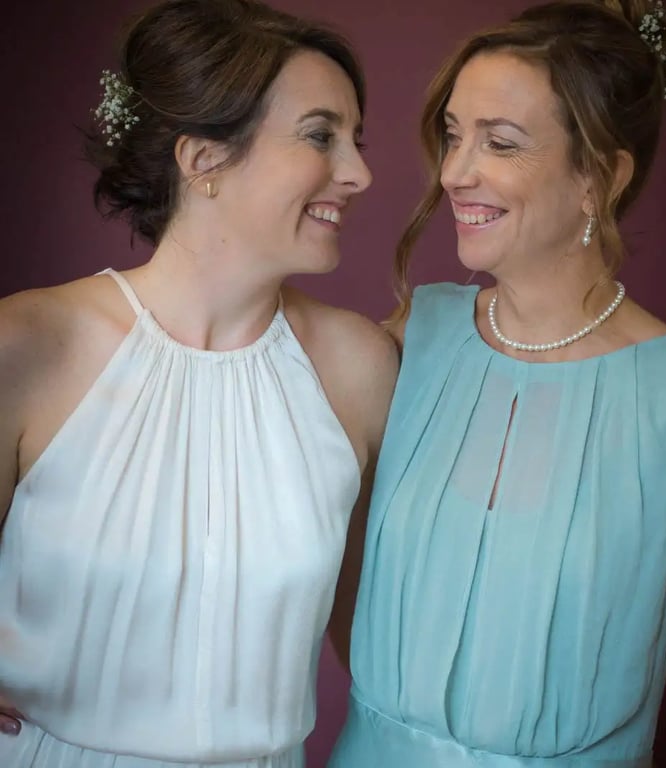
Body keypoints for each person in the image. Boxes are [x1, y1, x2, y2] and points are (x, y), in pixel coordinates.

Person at [328, 2, 666, 767]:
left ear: (600, 177)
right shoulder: (409, 338)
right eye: (453, 134)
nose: (453, 172)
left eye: (499, 142)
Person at [0, 0, 398, 765]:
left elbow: (373, 639)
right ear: (203, 160)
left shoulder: (359, 367)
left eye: (356, 139)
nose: (359, 173)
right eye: (321, 135)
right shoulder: (31, 344)